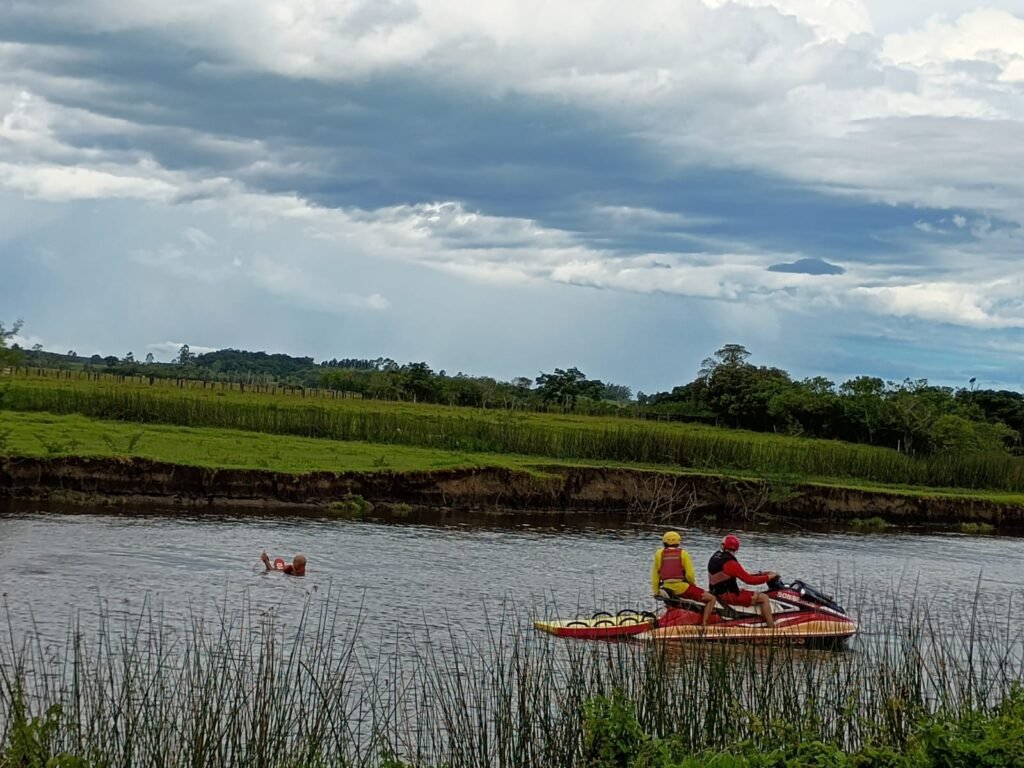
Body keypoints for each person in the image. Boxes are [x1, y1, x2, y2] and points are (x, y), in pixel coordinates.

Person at [707, 535, 777, 628]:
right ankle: (771, 627)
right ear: (736, 548)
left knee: (745, 591)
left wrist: (763, 574)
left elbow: (743, 575)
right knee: (764, 598)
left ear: (723, 546)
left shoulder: (715, 557)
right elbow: (749, 580)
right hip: (728, 596)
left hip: (716, 592)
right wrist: (768, 577)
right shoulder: (730, 563)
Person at [651, 531, 717, 630]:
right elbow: (690, 575)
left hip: (665, 588)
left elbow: (655, 575)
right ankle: (704, 624)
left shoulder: (659, 554)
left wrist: (656, 591)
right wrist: (693, 586)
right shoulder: (683, 553)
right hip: (682, 588)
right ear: (678, 542)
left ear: (664, 542)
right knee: (711, 598)